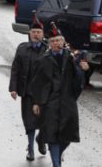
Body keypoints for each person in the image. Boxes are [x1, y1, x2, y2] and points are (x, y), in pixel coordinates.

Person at [31, 29, 89, 167]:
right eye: (53, 41)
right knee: (52, 135)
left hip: (67, 101)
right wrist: (36, 102)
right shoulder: (43, 60)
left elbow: (79, 78)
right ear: (49, 44)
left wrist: (83, 69)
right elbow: (37, 82)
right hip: (50, 102)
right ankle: (57, 164)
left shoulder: (71, 58)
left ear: (63, 42)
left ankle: (43, 141)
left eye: (58, 40)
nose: (56, 43)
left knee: (67, 135)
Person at [9, 23, 47, 161]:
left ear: (43, 34)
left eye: (38, 32)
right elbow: (15, 69)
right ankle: (30, 148)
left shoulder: (47, 50)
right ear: (29, 33)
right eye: (34, 31)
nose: (36, 34)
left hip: (44, 94)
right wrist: (13, 88)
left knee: (45, 121)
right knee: (29, 122)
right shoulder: (22, 49)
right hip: (27, 92)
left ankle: (41, 140)